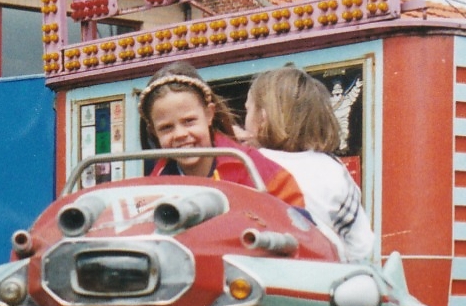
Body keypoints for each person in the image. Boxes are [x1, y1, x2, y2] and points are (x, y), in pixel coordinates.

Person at [245, 65, 376, 262]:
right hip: (322, 273)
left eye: (247, 110)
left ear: (262, 117)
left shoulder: (248, 163)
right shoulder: (334, 169)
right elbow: (361, 246)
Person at [139, 62, 303, 204]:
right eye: (166, 127)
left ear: (209, 114)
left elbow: (294, 212)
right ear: (154, 131)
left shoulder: (249, 164)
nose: (180, 134)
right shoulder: (154, 185)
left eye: (189, 121)